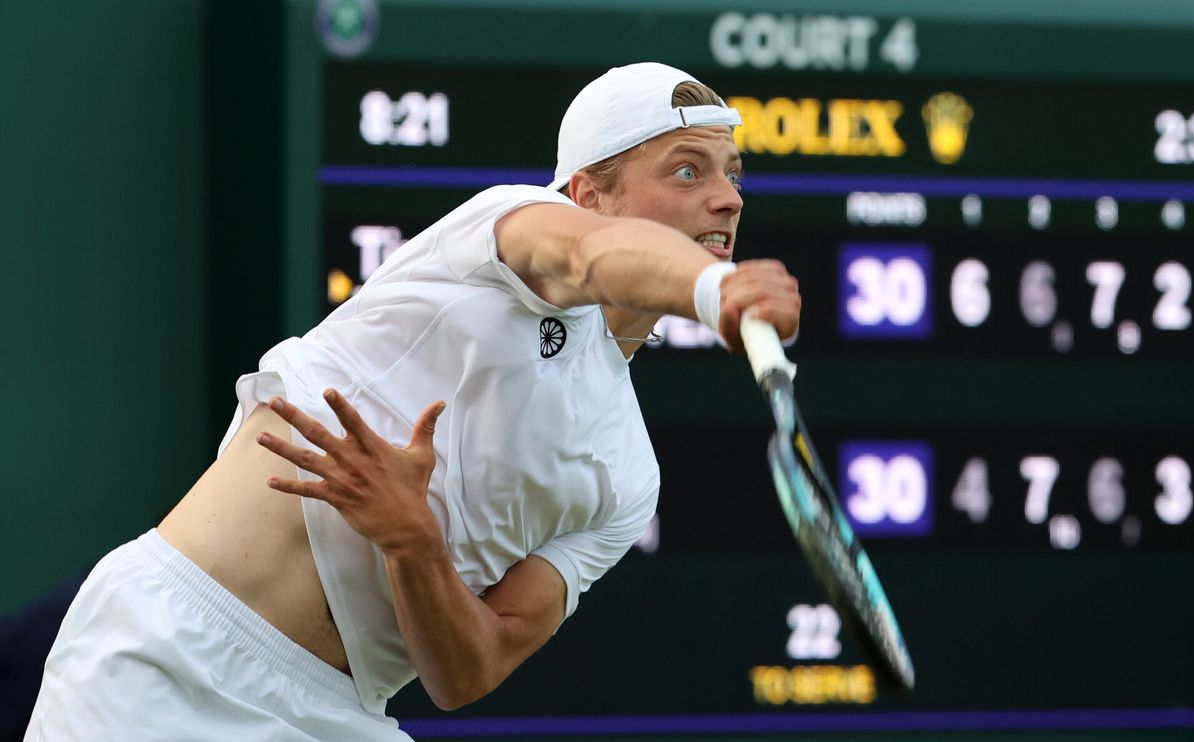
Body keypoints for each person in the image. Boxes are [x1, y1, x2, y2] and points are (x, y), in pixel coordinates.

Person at [25, 62, 800, 741]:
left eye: (734, 173)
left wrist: (413, 544)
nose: (729, 199)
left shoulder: (629, 476)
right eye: (688, 171)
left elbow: (470, 671)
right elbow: (586, 254)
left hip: (339, 712)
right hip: (171, 654)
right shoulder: (504, 230)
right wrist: (715, 290)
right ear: (587, 193)